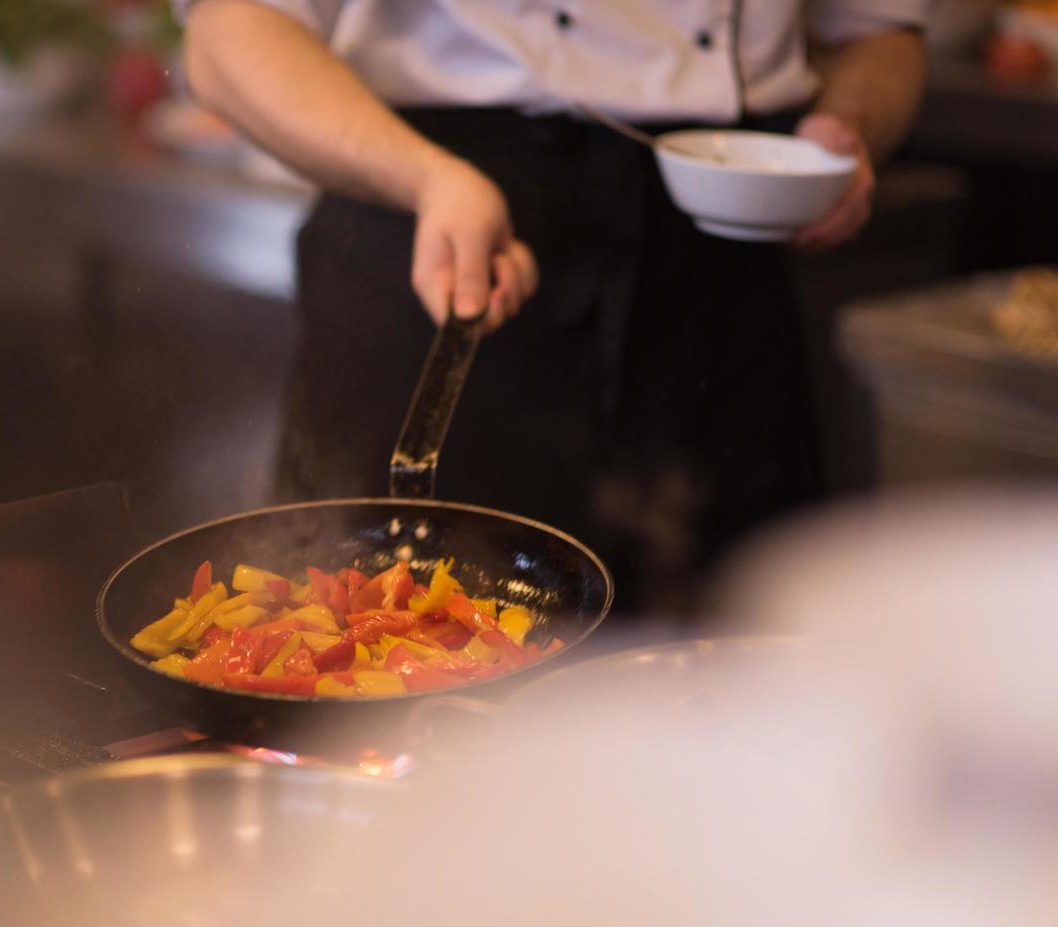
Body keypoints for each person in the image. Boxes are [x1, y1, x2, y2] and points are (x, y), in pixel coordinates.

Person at [177, 0, 930, 612]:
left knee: (735, 653)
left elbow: (879, 33)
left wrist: (850, 126)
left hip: (720, 245)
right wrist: (426, 179)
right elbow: (228, 31)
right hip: (436, 213)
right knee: (386, 644)